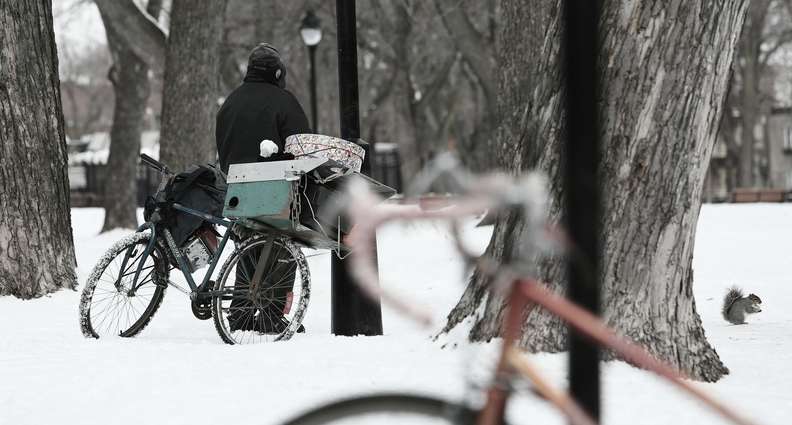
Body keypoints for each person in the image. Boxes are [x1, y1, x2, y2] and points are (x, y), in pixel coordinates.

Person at [215, 43, 311, 334]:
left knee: (247, 249)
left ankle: (241, 313)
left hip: (237, 188)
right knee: (283, 249)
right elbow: (301, 146)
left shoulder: (229, 102)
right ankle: (271, 314)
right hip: (274, 187)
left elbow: (223, 146)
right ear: (277, 73)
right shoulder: (283, 101)